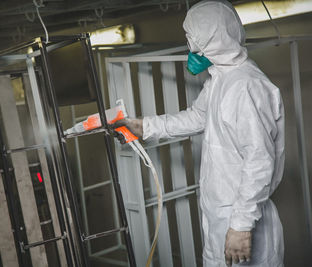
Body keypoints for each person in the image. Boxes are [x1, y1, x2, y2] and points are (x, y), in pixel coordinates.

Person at [113, 0, 285, 266]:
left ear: (212, 41)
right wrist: (145, 126)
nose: (191, 48)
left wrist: (240, 226)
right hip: (222, 214)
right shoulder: (220, 79)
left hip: (242, 219)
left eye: (194, 40)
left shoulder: (247, 87)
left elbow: (259, 160)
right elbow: (197, 116)